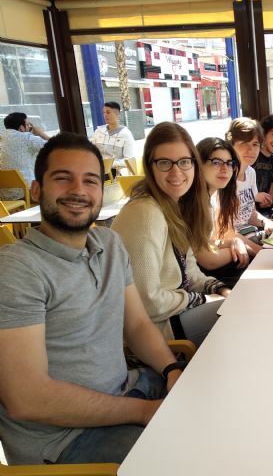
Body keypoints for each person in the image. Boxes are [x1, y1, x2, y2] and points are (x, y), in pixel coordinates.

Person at [0, 132, 181, 465]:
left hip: (129, 390)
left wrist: (170, 368)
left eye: (90, 181)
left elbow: (138, 325)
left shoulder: (108, 244)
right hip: (64, 439)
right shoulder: (17, 270)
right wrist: (142, 412)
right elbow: (27, 399)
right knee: (187, 457)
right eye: (63, 178)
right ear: (37, 189)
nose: (78, 191)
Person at [112, 122, 229, 348]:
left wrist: (219, 288)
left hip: (173, 314)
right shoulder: (145, 213)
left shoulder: (175, 206)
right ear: (150, 166)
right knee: (239, 316)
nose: (176, 172)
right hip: (154, 330)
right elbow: (148, 302)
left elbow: (190, 272)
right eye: (165, 163)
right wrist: (199, 299)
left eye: (184, 162)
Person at [195, 137, 249, 288]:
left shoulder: (213, 196)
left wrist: (233, 242)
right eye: (216, 162)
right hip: (197, 280)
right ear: (199, 164)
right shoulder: (195, 203)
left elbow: (209, 242)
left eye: (230, 163)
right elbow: (208, 260)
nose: (225, 169)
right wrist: (238, 250)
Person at [226, 118, 273, 255]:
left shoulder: (251, 172)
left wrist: (266, 222)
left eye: (255, 144)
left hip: (249, 232)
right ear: (231, 145)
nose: (251, 150)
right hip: (231, 240)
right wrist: (260, 252)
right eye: (244, 143)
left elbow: (250, 213)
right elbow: (224, 231)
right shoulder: (224, 177)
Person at [0, 112, 49, 200]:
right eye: (28, 125)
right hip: (26, 192)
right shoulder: (27, 138)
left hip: (4, 195)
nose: (30, 128)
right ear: (22, 128)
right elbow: (55, 147)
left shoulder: (2, 138)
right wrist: (41, 134)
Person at [90, 101, 135, 168]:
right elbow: (91, 152)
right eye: (104, 112)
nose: (105, 115)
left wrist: (108, 164)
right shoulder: (98, 131)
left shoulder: (126, 134)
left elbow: (129, 160)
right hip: (97, 169)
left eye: (108, 112)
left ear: (117, 114)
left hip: (115, 171)